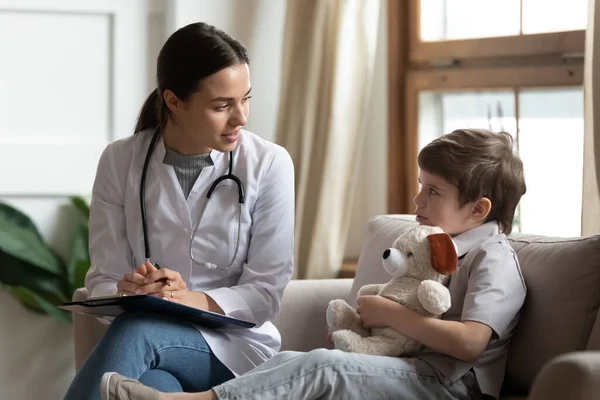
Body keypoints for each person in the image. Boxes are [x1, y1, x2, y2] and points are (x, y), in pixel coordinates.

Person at [98, 128, 528, 400]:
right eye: (421, 187)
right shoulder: (428, 248)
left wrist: (390, 314)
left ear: (478, 209)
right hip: (411, 368)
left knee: (319, 367)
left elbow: (471, 343)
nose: (417, 201)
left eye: (433, 192)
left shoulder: (492, 257)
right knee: (292, 361)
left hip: (451, 386)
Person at [63, 22, 295, 400]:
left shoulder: (269, 163)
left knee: (139, 329)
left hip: (235, 347)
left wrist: (188, 299)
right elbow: (102, 279)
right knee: (154, 388)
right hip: (151, 346)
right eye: (222, 105)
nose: (241, 118)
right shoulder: (120, 161)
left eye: (245, 99)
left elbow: (266, 293)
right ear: (174, 101)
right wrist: (127, 290)